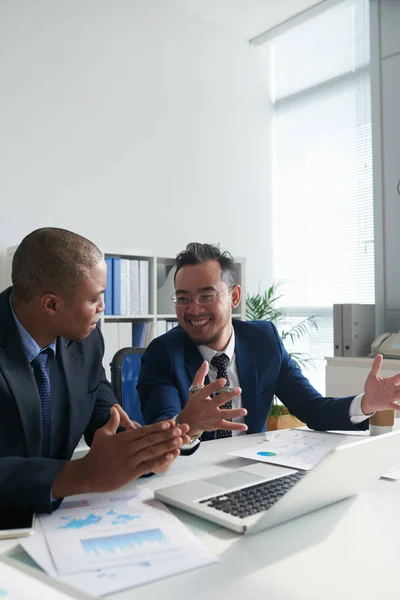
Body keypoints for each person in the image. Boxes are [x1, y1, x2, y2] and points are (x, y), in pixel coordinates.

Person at [0, 228, 190, 513]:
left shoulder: (86, 340)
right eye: (94, 299)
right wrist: (79, 475)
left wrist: (139, 450)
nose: (103, 307)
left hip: (59, 520)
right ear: (51, 304)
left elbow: (100, 406)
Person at [138, 242, 400, 446]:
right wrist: (187, 424)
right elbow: (161, 433)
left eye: (206, 295)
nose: (194, 309)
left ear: (235, 297)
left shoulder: (264, 340)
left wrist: (366, 403)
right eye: (183, 299)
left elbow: (312, 409)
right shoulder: (163, 353)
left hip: (251, 468)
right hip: (188, 475)